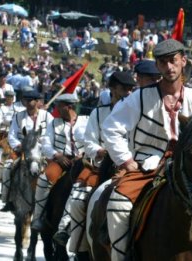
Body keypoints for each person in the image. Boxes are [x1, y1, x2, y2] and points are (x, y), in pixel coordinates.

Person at [102, 39, 192, 261]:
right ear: (157, 66)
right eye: (163, 62)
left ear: (183, 61)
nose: (169, 67)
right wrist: (127, 160)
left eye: (173, 61)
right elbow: (110, 128)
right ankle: (122, 256)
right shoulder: (139, 97)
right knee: (118, 203)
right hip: (147, 165)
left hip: (191, 164)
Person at [52, 72, 136, 257]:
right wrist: (100, 151)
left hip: (131, 167)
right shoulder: (98, 113)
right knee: (78, 200)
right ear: (113, 89)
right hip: (100, 167)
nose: (129, 93)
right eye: (124, 89)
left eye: (131, 89)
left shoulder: (137, 112)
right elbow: (89, 142)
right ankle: (78, 246)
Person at [31, 92, 89, 231]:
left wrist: (83, 154)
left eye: (59, 106)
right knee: (44, 178)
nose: (56, 109)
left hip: (84, 161)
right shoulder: (54, 123)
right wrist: (57, 155)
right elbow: (46, 144)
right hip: (61, 160)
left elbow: (93, 141)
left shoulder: (86, 120)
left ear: (69, 107)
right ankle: (38, 217)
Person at [0, 90, 53, 212]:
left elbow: (51, 134)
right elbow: (12, 135)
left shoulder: (47, 116)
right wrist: (19, 145)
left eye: (30, 100)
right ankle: (7, 198)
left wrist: (43, 145)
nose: (27, 103)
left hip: (42, 151)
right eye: (25, 100)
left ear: (37, 101)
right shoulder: (18, 116)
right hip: (22, 150)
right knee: (8, 166)